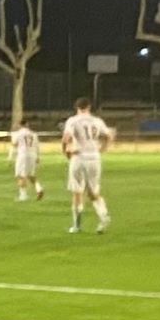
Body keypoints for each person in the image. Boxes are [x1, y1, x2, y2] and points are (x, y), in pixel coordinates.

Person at [61, 97, 113, 234]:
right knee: (93, 191)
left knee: (77, 191)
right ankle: (103, 216)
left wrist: (65, 152)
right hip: (94, 157)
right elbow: (108, 136)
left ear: (77, 108)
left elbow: (66, 138)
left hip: (79, 157)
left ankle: (76, 226)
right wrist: (102, 149)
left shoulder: (73, 121)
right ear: (89, 107)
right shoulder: (97, 121)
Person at [10, 120, 44, 201]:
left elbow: (14, 144)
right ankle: (39, 188)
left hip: (23, 155)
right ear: (27, 124)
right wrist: (38, 156)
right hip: (32, 155)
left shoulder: (18, 133)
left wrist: (11, 157)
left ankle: (23, 196)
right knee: (31, 175)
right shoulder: (33, 134)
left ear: (20, 125)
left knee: (20, 175)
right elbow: (37, 146)